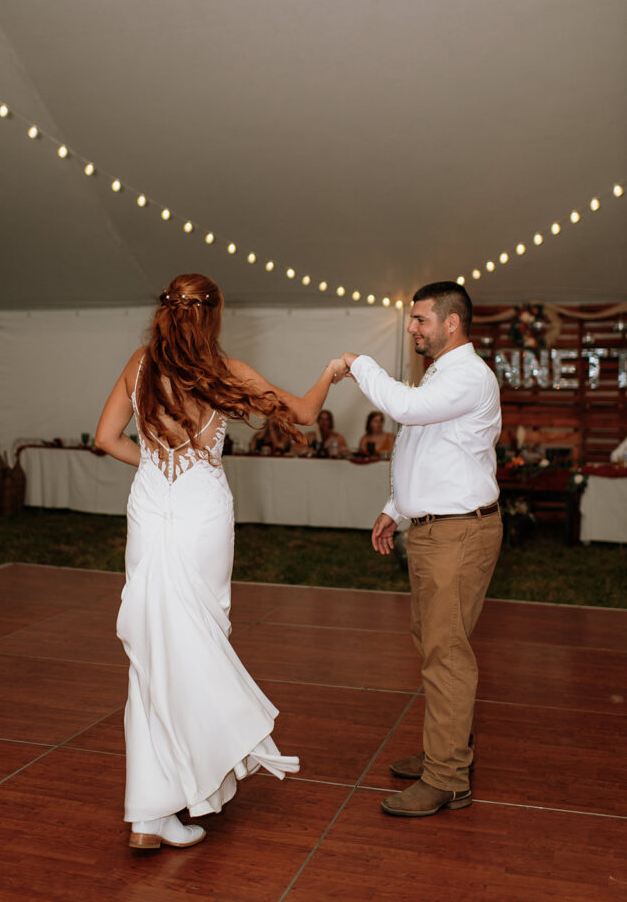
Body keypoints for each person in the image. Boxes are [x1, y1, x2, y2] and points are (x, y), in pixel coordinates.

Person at [95, 273, 347, 849]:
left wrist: (157, 467)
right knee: (197, 639)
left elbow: (107, 438)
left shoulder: (141, 365)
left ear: (165, 313)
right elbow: (304, 415)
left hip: (152, 506)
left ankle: (149, 814)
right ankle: (175, 793)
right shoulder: (227, 372)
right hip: (203, 513)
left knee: (154, 652)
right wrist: (331, 373)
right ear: (212, 316)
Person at [339, 281, 502, 818]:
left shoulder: (469, 375)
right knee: (436, 644)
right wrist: (397, 505)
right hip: (437, 529)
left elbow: (404, 412)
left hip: (458, 533)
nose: (412, 328)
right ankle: (447, 751)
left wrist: (359, 363)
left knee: (446, 653)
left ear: (451, 323)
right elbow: (423, 447)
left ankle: (448, 778)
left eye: (420, 320)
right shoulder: (444, 375)